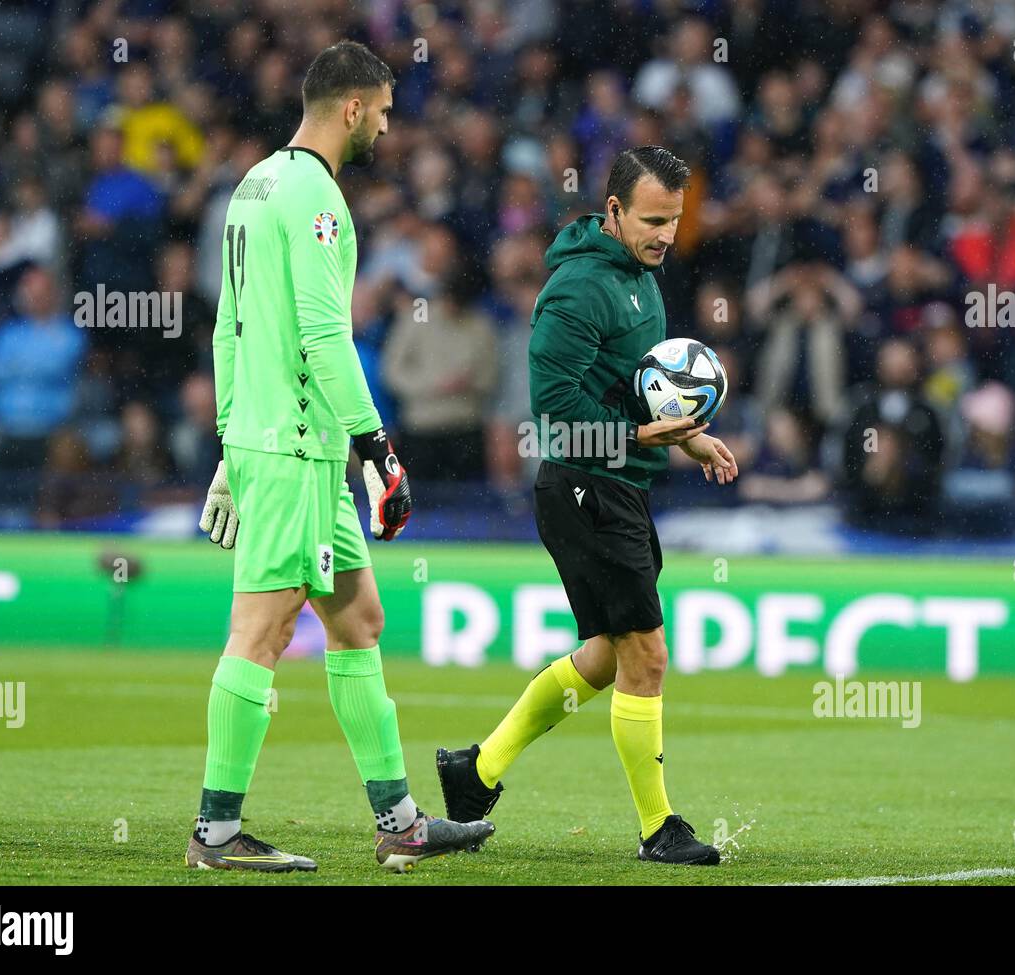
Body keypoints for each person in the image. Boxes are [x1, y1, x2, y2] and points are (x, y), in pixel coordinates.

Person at [188, 41, 493, 874]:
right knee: (262, 630)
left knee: (358, 619)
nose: (387, 129)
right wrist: (378, 448)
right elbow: (325, 336)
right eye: (384, 113)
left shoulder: (253, 185)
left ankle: (400, 822)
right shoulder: (319, 199)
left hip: (283, 444)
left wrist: (230, 442)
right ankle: (216, 833)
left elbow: (228, 327)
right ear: (353, 108)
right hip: (296, 446)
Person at [436, 146, 738, 867]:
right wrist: (638, 436)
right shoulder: (576, 289)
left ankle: (476, 771)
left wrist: (688, 438)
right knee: (647, 655)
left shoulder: (641, 280)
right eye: (653, 220)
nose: (666, 234)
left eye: (674, 220)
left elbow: (635, 387)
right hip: (582, 486)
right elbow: (553, 414)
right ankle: (659, 828)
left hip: (620, 486)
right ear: (613, 211)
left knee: (606, 657)